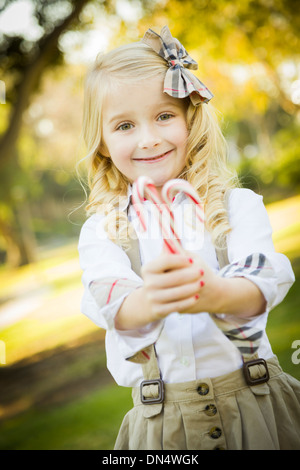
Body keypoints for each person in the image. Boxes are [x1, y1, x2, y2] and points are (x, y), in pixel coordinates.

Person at [78, 26, 300, 450]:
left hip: (256, 406)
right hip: (165, 428)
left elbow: (262, 285)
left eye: (164, 115)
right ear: (102, 144)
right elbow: (111, 301)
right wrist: (152, 296)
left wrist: (214, 292)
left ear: (188, 118)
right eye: (124, 125)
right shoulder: (104, 231)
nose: (149, 139)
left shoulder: (235, 206)